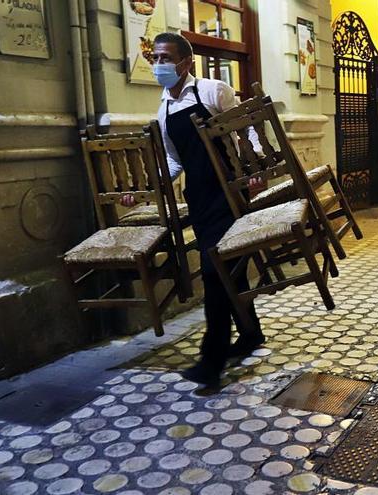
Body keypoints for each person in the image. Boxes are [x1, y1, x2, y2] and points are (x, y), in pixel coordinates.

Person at [122, 33, 264, 386]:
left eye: (166, 58)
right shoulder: (164, 110)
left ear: (186, 62)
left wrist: (256, 168)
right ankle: (251, 335)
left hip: (230, 194)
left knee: (217, 274)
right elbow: (174, 161)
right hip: (199, 198)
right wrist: (143, 192)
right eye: (154, 57)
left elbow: (248, 131)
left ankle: (210, 361)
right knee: (229, 271)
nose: (159, 65)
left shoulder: (214, 91)